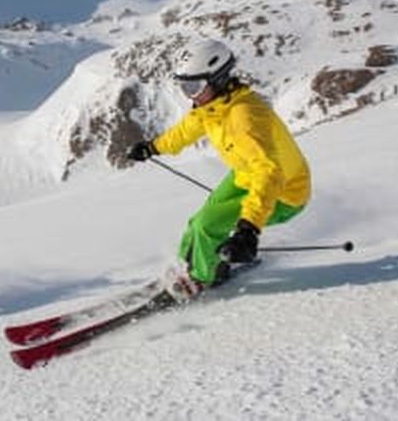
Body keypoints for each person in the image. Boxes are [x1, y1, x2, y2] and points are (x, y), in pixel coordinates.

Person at [127, 39, 311, 301]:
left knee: (208, 225)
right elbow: (185, 131)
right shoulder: (213, 107)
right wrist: (152, 147)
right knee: (199, 221)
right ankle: (189, 263)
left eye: (194, 87)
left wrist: (249, 228)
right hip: (245, 175)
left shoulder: (244, 118)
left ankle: (200, 279)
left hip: (284, 192)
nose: (190, 95)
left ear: (218, 79)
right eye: (184, 87)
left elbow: (269, 173)